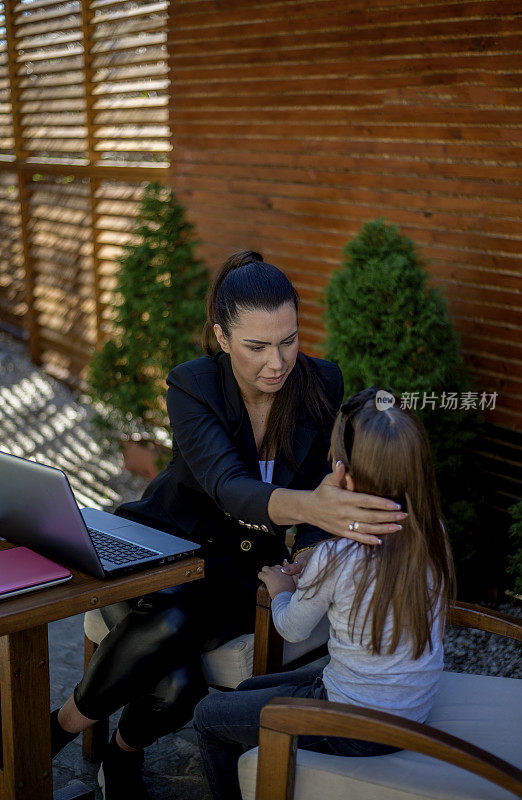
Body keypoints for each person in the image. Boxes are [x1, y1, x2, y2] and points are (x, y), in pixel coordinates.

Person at [50, 252, 405, 800]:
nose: (277, 362)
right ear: (221, 336)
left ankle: (99, 743)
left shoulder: (321, 383)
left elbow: (320, 480)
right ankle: (79, 734)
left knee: (180, 678)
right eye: (256, 346)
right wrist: (311, 509)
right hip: (161, 550)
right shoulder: (192, 386)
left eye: (288, 340)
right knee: (175, 660)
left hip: (236, 568)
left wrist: (311, 543)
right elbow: (228, 485)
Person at [193, 386, 456, 800]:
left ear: (343, 475)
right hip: (408, 709)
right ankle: (272, 771)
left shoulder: (337, 553)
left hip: (354, 725)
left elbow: (291, 629)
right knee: (246, 691)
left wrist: (282, 587)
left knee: (208, 716)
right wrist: (316, 574)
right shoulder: (432, 533)